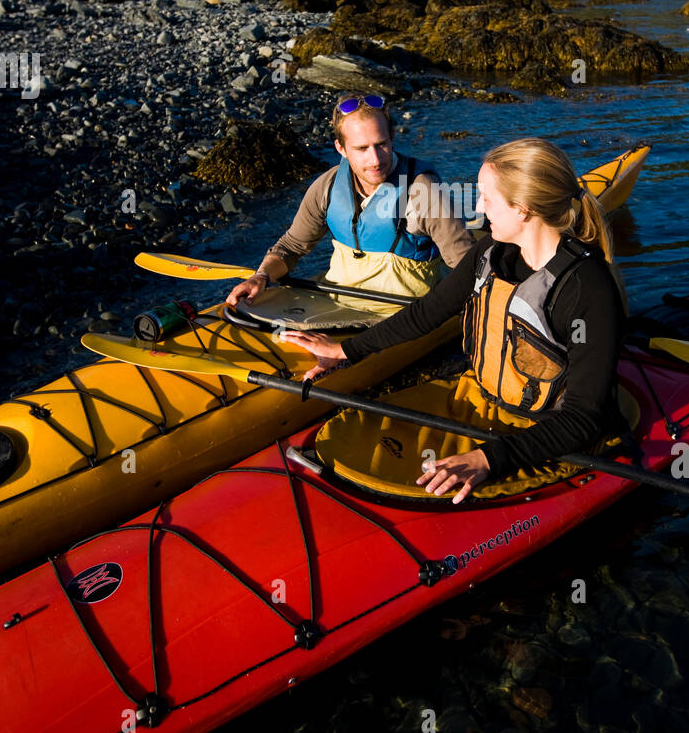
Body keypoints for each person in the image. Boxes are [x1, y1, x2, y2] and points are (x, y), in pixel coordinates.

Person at [282, 137, 629, 504]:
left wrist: (487, 459)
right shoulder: (489, 253)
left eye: (487, 198)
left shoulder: (586, 288)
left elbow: (582, 419)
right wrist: (344, 350)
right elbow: (427, 312)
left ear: (523, 209)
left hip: (547, 430)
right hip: (480, 399)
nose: (477, 209)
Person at [226, 93, 475, 312]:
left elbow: (466, 265)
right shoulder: (328, 186)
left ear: (392, 137)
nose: (375, 159)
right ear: (341, 148)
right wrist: (261, 276)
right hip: (338, 301)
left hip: (402, 316)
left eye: (381, 145)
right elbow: (291, 247)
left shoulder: (423, 191)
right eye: (361, 148)